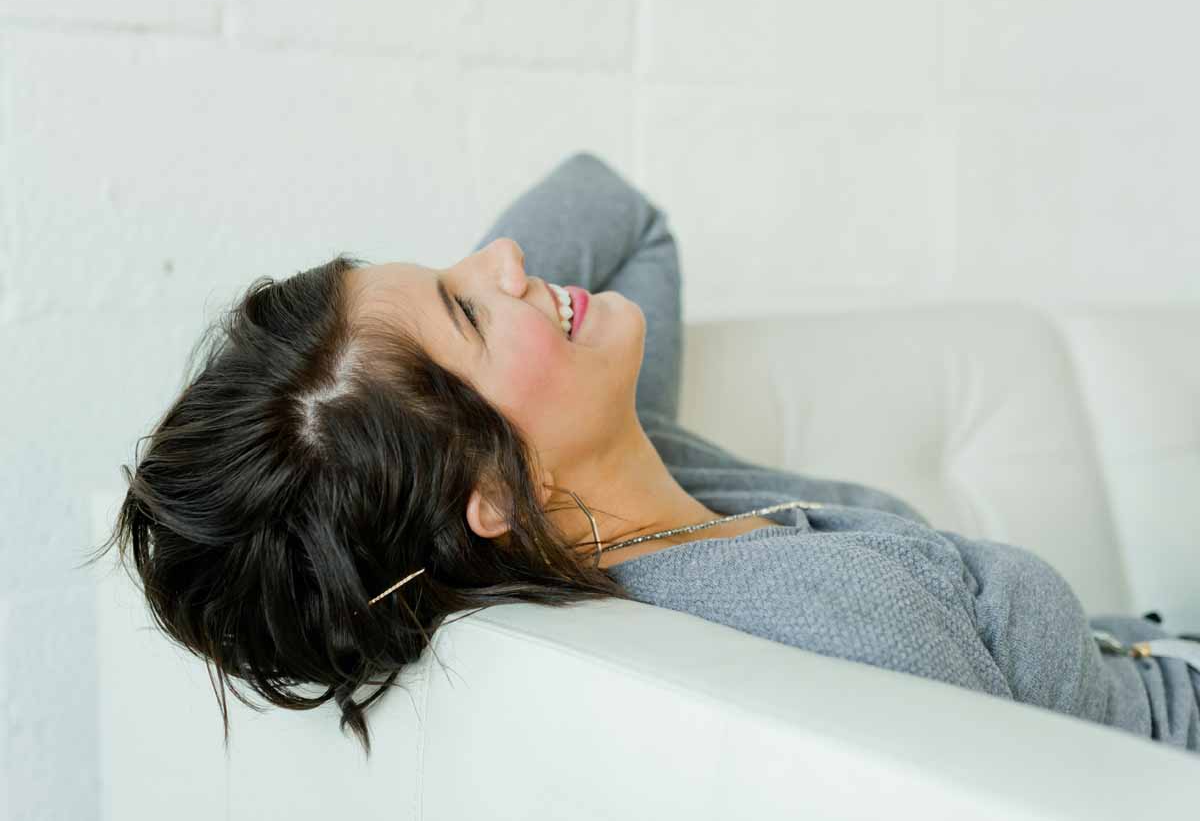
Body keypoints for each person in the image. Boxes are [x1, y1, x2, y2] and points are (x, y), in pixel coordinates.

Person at [89, 152, 1199, 757]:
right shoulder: (825, 623)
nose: (505, 255)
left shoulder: (609, 462)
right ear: (485, 493)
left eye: (456, 270)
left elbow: (616, 209)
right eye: (468, 310)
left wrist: (406, 354)